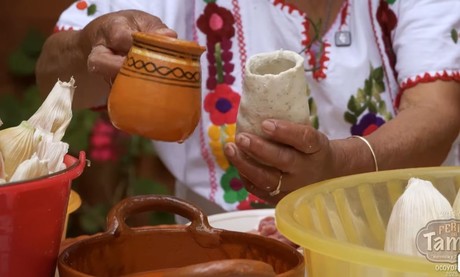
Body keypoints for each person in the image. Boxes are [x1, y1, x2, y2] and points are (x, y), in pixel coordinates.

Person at [36, 0, 460, 214]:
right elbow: (53, 76)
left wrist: (340, 166)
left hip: (393, 229)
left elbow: (437, 112)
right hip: (216, 236)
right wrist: (88, 43)